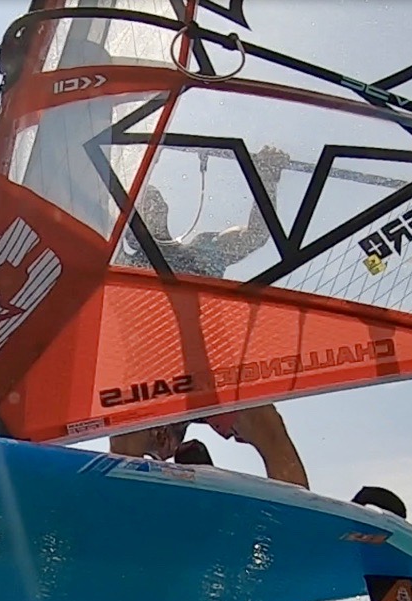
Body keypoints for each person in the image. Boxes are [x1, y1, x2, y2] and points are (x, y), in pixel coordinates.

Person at [109, 145, 310, 488]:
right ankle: (120, 514)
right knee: (124, 447)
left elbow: (255, 236)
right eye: (142, 208)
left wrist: (267, 176)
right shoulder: (119, 268)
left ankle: (299, 517)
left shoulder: (202, 251)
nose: (151, 211)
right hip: (151, 385)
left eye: (155, 204)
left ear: (168, 212)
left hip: (212, 380)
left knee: (270, 426)